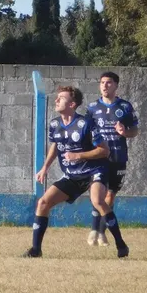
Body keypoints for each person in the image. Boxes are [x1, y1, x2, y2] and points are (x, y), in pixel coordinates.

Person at [25, 86, 129, 259]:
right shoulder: (55, 124)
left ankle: (120, 244)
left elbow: (104, 151)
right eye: (57, 97)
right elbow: (56, 146)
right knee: (43, 203)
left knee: (97, 201)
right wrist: (45, 167)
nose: (57, 100)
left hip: (94, 170)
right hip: (72, 175)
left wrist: (78, 155)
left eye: (61, 98)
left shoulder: (85, 124)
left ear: (72, 104)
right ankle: (36, 250)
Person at [86, 72, 140, 246]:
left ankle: (101, 232)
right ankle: (94, 231)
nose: (105, 86)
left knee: (110, 194)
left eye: (108, 83)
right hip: (98, 157)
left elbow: (135, 130)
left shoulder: (125, 107)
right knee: (97, 193)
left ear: (116, 86)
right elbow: (85, 132)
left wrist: (125, 132)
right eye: (102, 83)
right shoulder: (92, 107)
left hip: (118, 157)